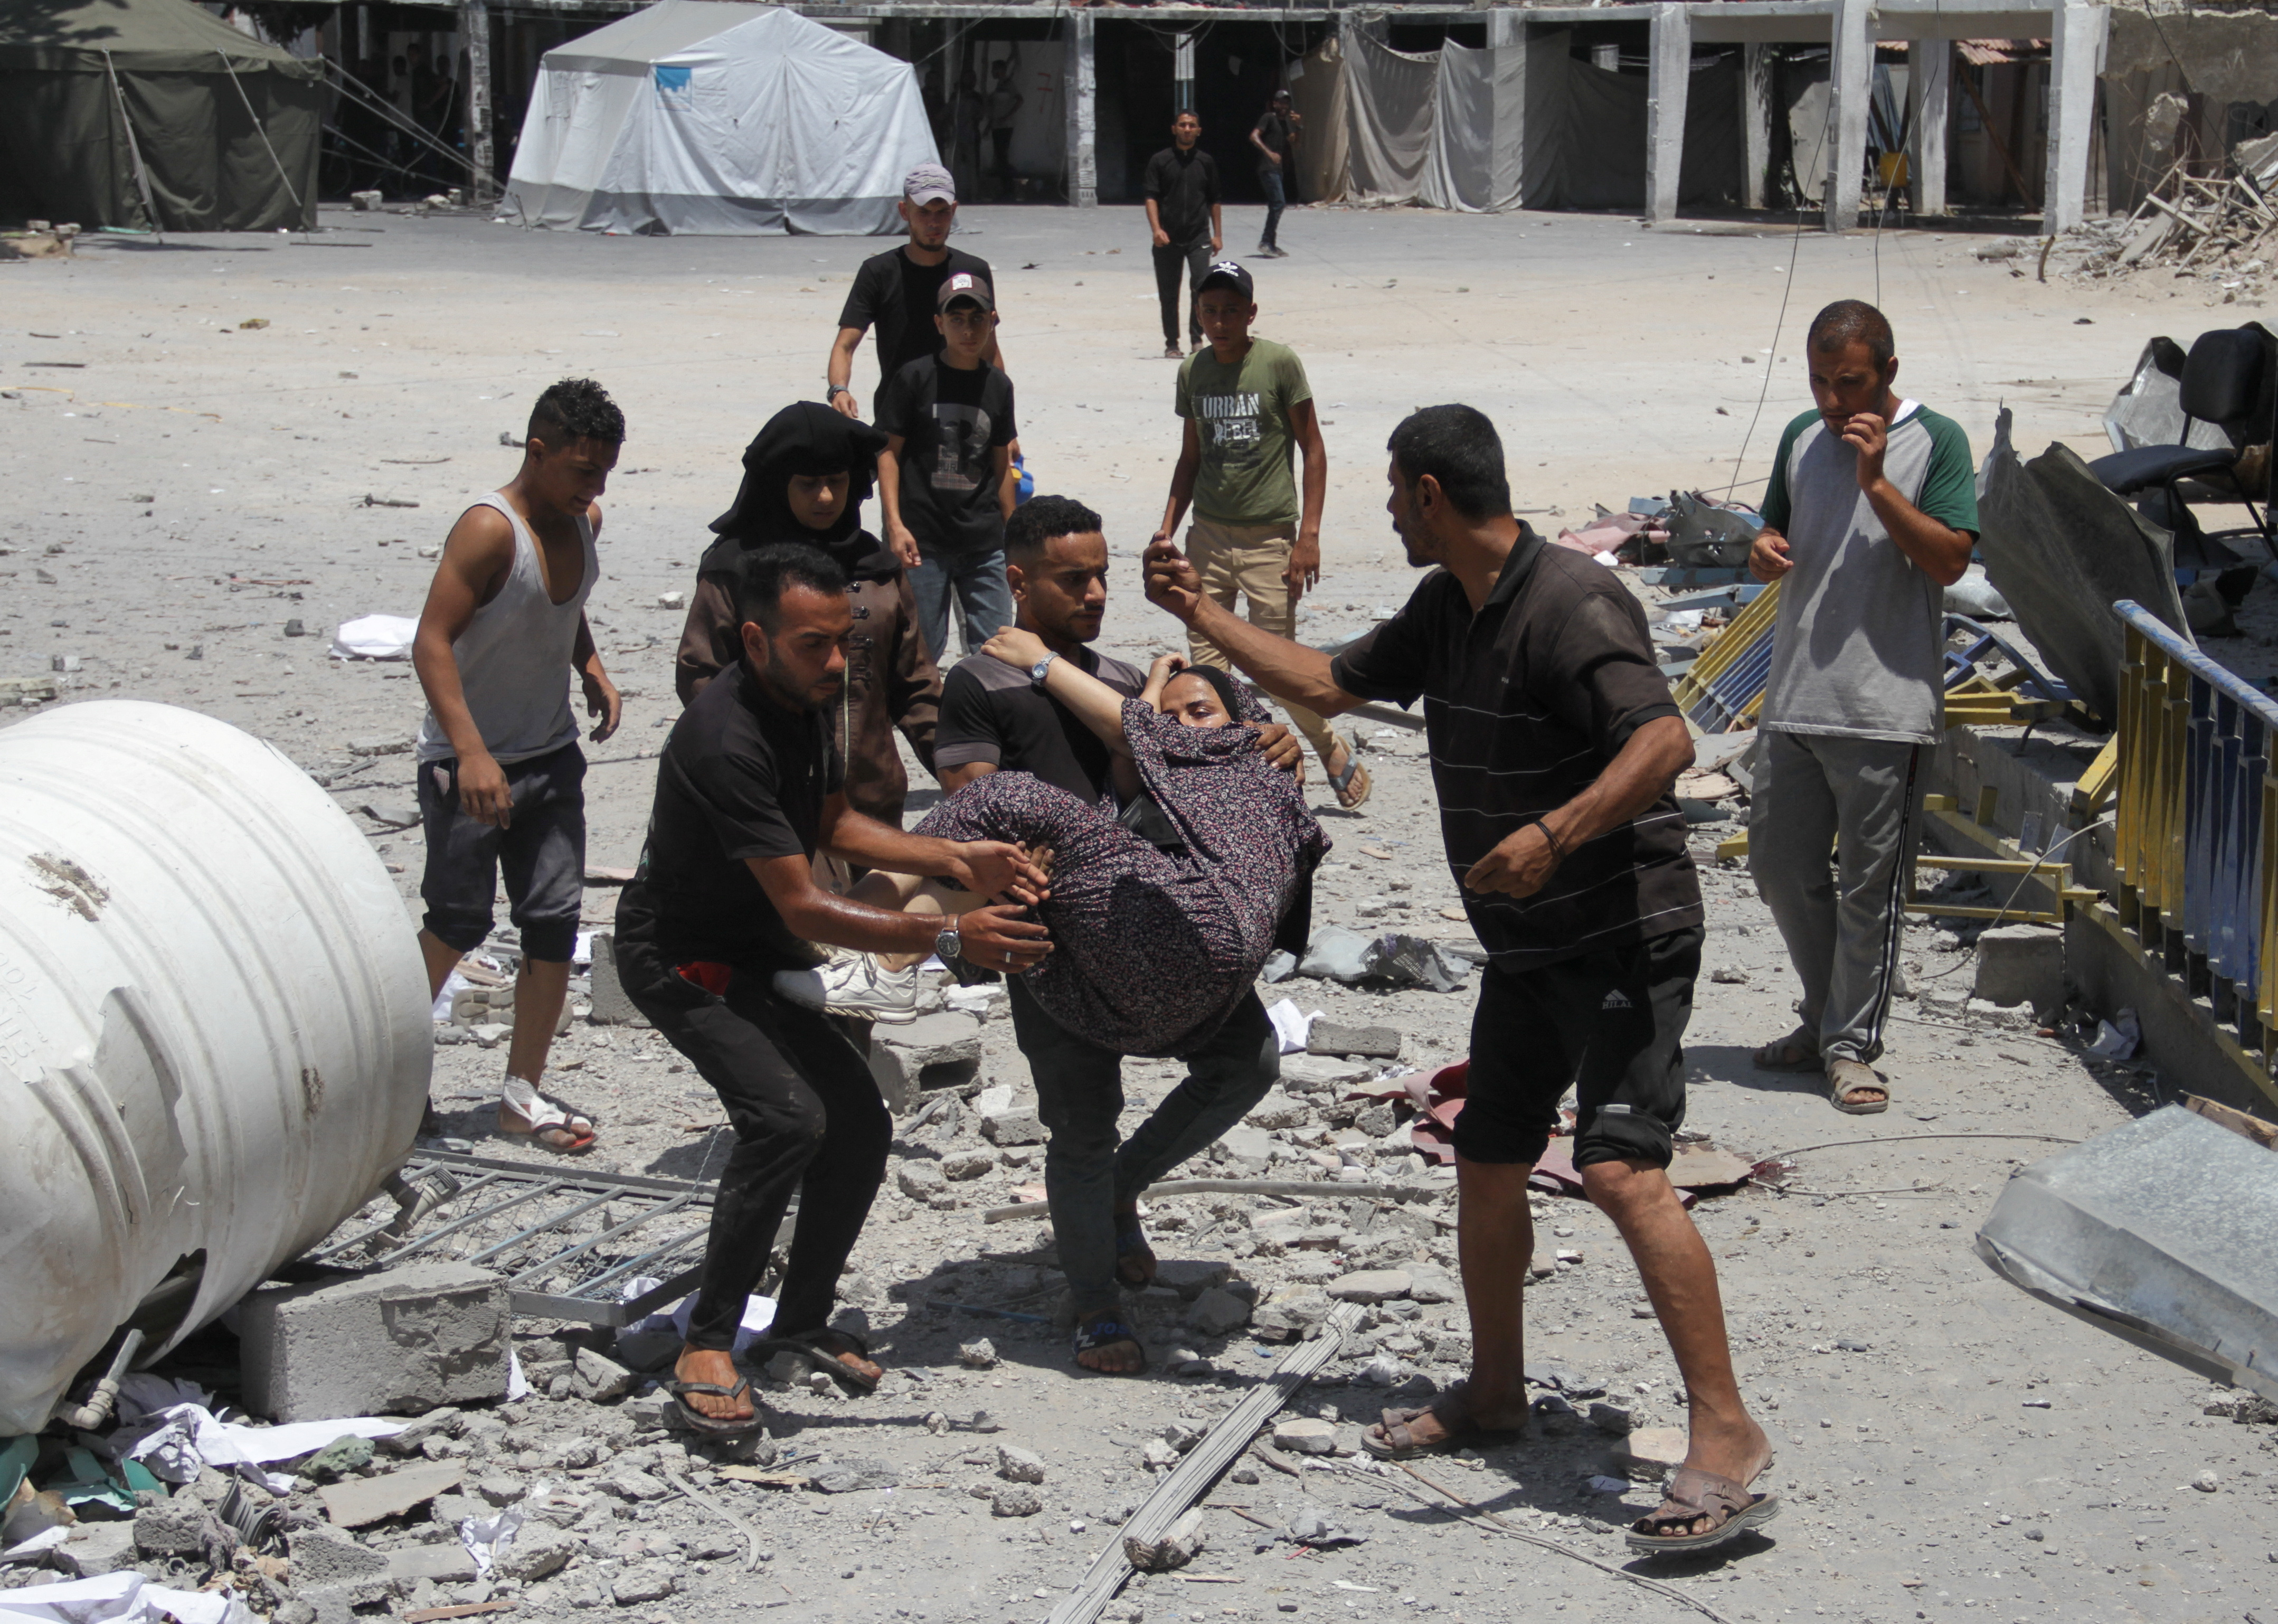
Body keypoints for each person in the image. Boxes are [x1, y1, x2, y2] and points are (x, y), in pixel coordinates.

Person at [1143, 405, 1776, 1555]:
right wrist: (1199, 615)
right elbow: (1328, 682)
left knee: (1622, 1166)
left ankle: (1727, 1430)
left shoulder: (1574, 603)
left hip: (1624, 930)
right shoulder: (1449, 609)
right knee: (1487, 1155)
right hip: (1528, 949)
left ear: (1431, 492)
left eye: (1394, 493)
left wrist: (1554, 832)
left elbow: (1663, 743)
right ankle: (1495, 1390)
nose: (1386, 512)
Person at [612, 543, 1054, 1436]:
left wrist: (948, 854)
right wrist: (948, 932)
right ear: (753, 639)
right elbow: (806, 901)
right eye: (812, 644)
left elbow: (829, 822)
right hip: (683, 958)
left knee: (858, 1124)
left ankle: (802, 1318)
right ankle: (708, 1342)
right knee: (787, 1120)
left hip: (756, 943)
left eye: (841, 642)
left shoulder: (807, 697)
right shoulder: (723, 735)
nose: (835, 661)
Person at [928, 495, 1304, 1375]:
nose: (1098, 591)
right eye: (1074, 579)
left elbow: (1187, 759)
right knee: (1081, 1125)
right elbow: (979, 812)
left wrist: (1266, 744)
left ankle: (1123, 1190)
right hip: (1054, 943)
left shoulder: (1122, 682)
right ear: (1017, 582)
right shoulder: (976, 686)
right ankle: (1095, 1303)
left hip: (1159, 918)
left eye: (1102, 574)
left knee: (1245, 1063)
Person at [1745, 300, 1978, 1116]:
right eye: (1818, 382)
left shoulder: (1935, 441)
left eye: (1849, 383)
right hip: (1795, 693)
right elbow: (1772, 526)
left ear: (1887, 372)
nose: (1833, 402)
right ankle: (1821, 1019)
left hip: (1884, 706)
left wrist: (1875, 482)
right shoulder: (1798, 440)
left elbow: (1948, 559)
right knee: (1778, 868)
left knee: (1867, 888)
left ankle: (1849, 1047)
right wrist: (1763, 546)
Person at [411, 377, 624, 1155]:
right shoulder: (487, 530)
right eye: (579, 470)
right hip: (466, 763)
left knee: (550, 925)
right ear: (537, 452)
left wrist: (591, 666)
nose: (592, 488)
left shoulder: (584, 521)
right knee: (455, 922)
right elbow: (431, 642)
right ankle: (390, 1077)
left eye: (603, 472)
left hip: (548, 756)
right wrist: (468, 751)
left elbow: (556, 612)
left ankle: (518, 1098)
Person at [1152, 260, 1366, 809]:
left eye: (1230, 310)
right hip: (1207, 539)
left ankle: (1325, 746)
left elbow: (1313, 448)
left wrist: (1308, 536)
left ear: (1250, 312)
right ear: (1196, 315)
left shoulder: (1278, 364)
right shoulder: (1193, 372)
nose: (1219, 321)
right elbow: (1190, 458)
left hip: (1270, 540)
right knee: (1209, 670)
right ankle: (1225, 782)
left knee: (1276, 670)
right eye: (1209, 310)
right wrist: (1166, 528)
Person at [675, 401, 940, 828]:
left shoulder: (878, 569)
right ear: (778, 484)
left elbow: (917, 686)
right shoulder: (737, 569)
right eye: (808, 484)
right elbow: (701, 675)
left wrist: (962, 770)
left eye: (837, 481)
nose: (825, 497)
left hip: (872, 801)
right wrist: (752, 765)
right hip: (773, 804)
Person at [877, 271, 1017, 665]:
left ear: (993, 321)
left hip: (984, 540)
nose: (968, 330)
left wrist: (1015, 532)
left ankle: (983, 723)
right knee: (919, 651)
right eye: (956, 319)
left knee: (996, 652)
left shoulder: (998, 386)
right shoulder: (914, 378)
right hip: (923, 540)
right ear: (939, 324)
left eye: (978, 319)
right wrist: (894, 524)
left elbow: (1000, 462)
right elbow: (888, 452)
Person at [829, 166, 1007, 423]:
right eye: (923, 212)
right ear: (905, 211)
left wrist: (1004, 424)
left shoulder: (973, 271)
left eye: (942, 212)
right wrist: (839, 389)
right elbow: (845, 345)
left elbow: (989, 350)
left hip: (963, 412)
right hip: (899, 415)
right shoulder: (879, 272)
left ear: (954, 211)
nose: (933, 223)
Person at [1143, 111, 1224, 360]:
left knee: (1200, 289)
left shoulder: (1206, 162)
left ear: (1199, 131)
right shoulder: (1160, 161)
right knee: (1169, 293)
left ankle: (1197, 339)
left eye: (1192, 125)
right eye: (1183, 125)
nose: (1187, 129)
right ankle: (1172, 343)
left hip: (1198, 238)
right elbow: (1151, 198)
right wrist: (1156, 229)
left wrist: (1217, 234)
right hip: (1168, 239)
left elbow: (1215, 201)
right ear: (1174, 129)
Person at [1248, 88, 1300, 258]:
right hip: (1267, 167)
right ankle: (1265, 241)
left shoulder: (1285, 124)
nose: (1284, 106)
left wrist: (1298, 126)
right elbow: (1254, 136)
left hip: (1277, 169)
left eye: (1287, 103)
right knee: (1279, 203)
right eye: (1281, 102)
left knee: (1275, 205)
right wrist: (1269, 153)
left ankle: (1271, 243)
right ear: (1275, 104)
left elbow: (1294, 142)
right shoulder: (1269, 118)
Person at [986, 53, 1023, 186]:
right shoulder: (998, 85)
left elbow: (1020, 100)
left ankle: (1009, 185)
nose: (993, 72)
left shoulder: (1008, 84)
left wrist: (1008, 116)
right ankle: (1005, 184)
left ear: (1001, 70)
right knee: (999, 155)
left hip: (1006, 125)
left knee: (1003, 155)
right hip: (997, 125)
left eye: (995, 69)